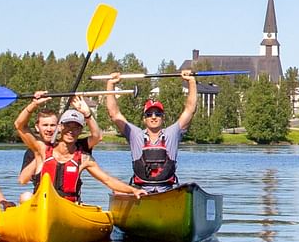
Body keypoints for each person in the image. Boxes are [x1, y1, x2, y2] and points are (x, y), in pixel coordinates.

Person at [14, 94, 145, 203]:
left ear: (80, 130)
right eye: (67, 126)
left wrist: (132, 190)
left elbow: (107, 180)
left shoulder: (83, 158)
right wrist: (34, 104)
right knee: (26, 197)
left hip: (68, 207)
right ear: (60, 128)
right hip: (43, 204)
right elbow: (19, 125)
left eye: (76, 127)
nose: (71, 131)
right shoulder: (42, 150)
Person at [104, 70, 197, 192]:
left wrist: (191, 82)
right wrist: (111, 84)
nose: (153, 117)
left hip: (167, 191)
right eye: (149, 114)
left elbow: (190, 109)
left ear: (163, 118)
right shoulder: (134, 134)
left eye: (158, 114)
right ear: (144, 119)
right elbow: (114, 114)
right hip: (141, 191)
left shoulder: (172, 133)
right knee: (116, 191)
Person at [17, 91, 102, 191]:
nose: (49, 129)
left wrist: (87, 114)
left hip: (67, 200)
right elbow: (23, 180)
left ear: (59, 127)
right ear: (37, 127)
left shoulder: (74, 144)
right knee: (25, 197)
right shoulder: (34, 149)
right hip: (43, 198)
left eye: (52, 125)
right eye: (45, 125)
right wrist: (42, 155)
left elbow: (97, 137)